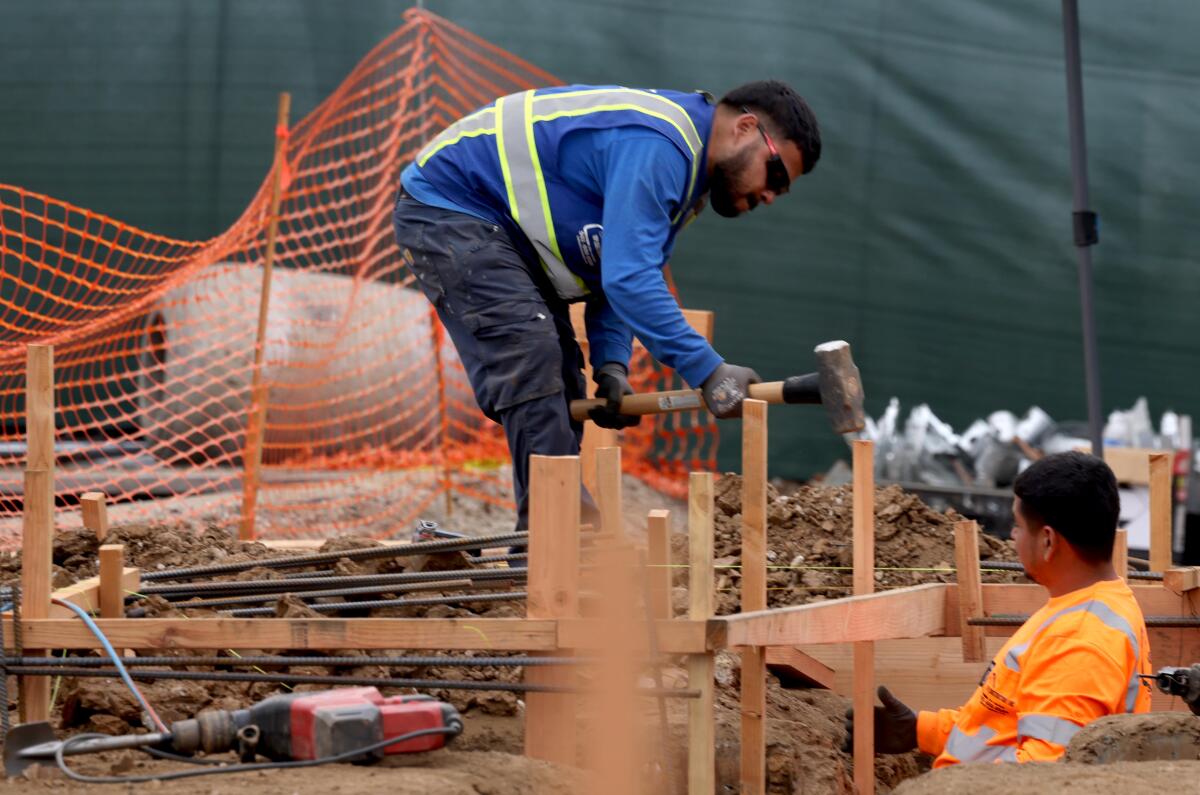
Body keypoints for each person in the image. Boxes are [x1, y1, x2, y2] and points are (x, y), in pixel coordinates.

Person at [393, 81, 821, 533]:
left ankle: (548, 544)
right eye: (775, 174)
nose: (771, 195)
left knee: (558, 381)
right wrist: (708, 371)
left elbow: (609, 268)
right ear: (745, 128)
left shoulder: (688, 176)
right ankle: (556, 542)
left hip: (500, 232)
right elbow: (629, 279)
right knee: (531, 355)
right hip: (450, 207)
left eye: (782, 190)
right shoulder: (661, 147)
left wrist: (611, 366)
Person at [845, 451, 1152, 765]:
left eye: (1018, 526)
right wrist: (921, 731)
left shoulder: (1077, 641)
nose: (1012, 535)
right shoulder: (1086, 606)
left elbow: (1044, 778)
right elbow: (1008, 726)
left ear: (1048, 541)